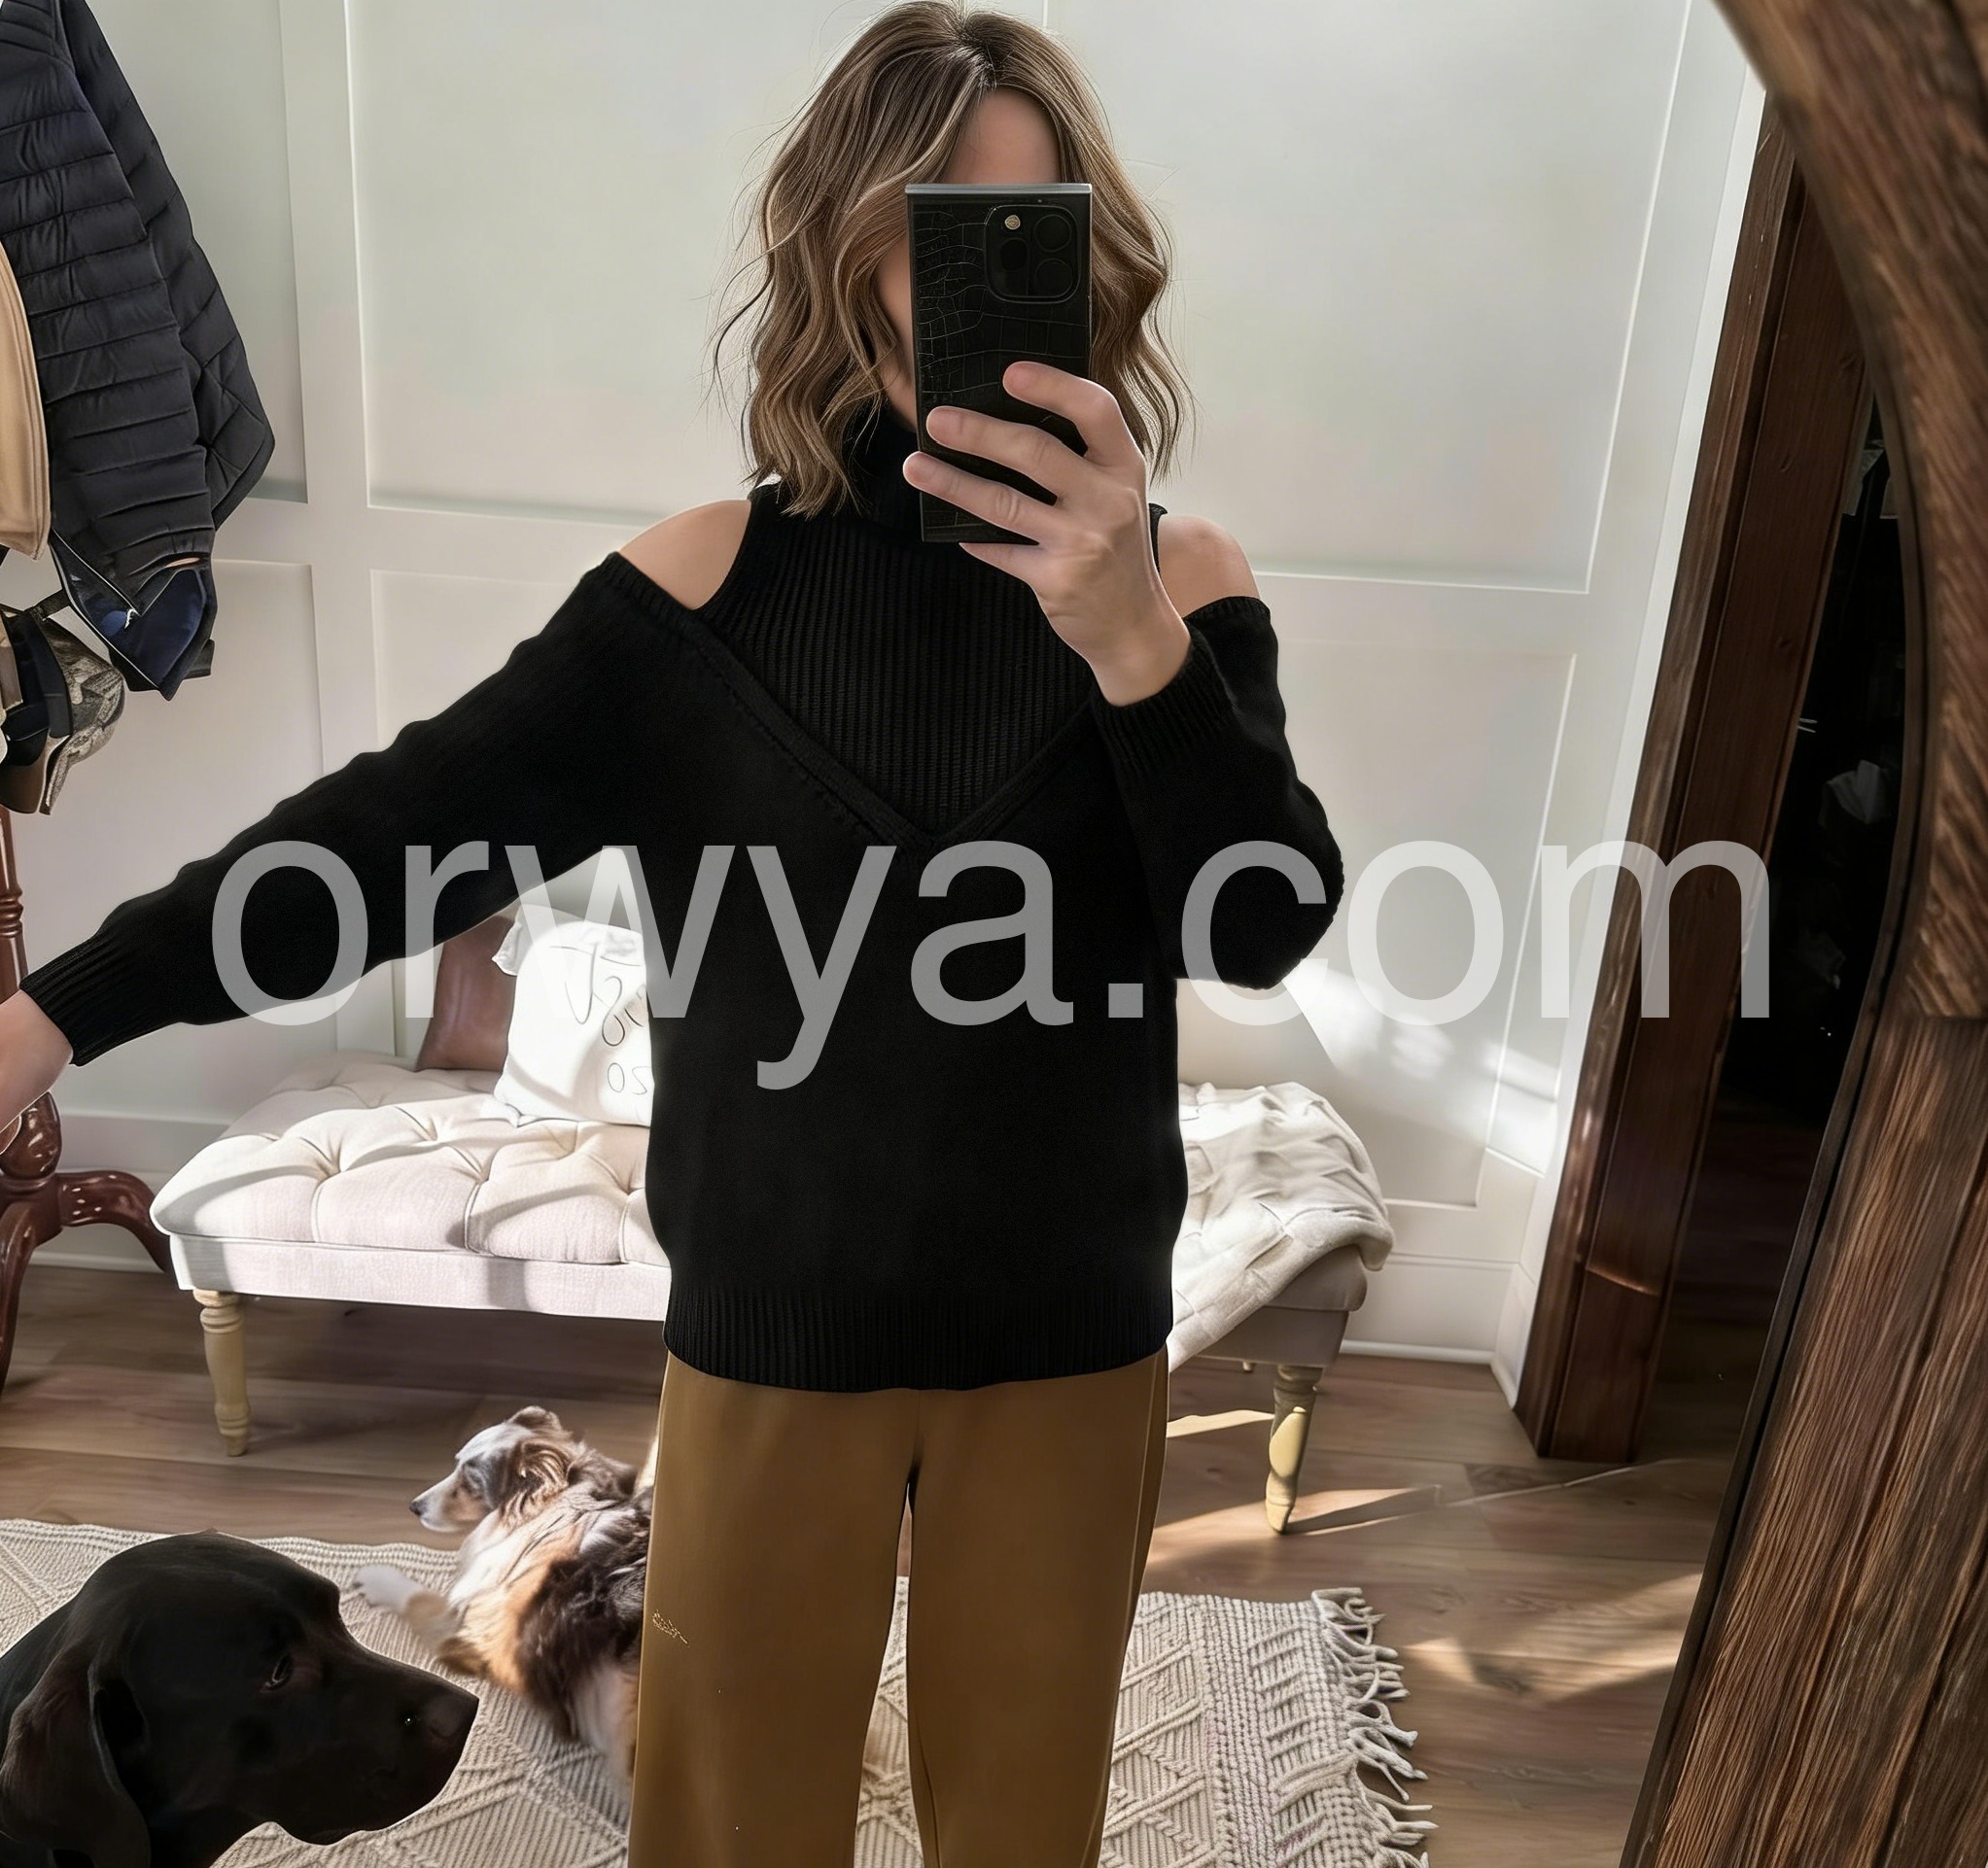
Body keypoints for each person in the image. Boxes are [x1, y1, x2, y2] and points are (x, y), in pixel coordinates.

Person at [0, 5, 1343, 1862]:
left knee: (1024, 1824)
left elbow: (1257, 921)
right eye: (937, 224)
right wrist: (56, 1010)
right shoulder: (695, 592)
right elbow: (379, 840)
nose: (980, 274)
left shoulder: (1181, 586)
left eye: (1026, 227)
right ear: (843, 250)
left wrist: (1128, 635)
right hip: (770, 1332)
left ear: (1087, 259)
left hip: (1071, 1334)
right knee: (726, 1821)